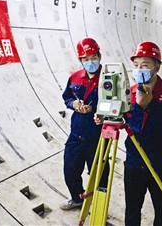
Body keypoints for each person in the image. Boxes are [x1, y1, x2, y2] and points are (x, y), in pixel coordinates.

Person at [95, 41, 162, 225]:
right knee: (132, 210)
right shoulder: (128, 92)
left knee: (161, 210)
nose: (139, 69)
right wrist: (104, 117)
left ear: (157, 67)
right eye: (136, 65)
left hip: (160, 163)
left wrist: (150, 105)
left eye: (145, 65)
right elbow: (123, 119)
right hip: (134, 164)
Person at [60, 37, 109, 210]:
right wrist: (73, 104)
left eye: (93, 57)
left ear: (100, 56)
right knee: (70, 169)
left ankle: (99, 207)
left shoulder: (109, 78)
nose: (90, 62)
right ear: (80, 60)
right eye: (86, 59)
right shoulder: (74, 77)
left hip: (98, 134)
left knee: (99, 173)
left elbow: (118, 105)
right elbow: (67, 97)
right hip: (76, 132)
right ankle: (77, 198)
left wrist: (102, 114)